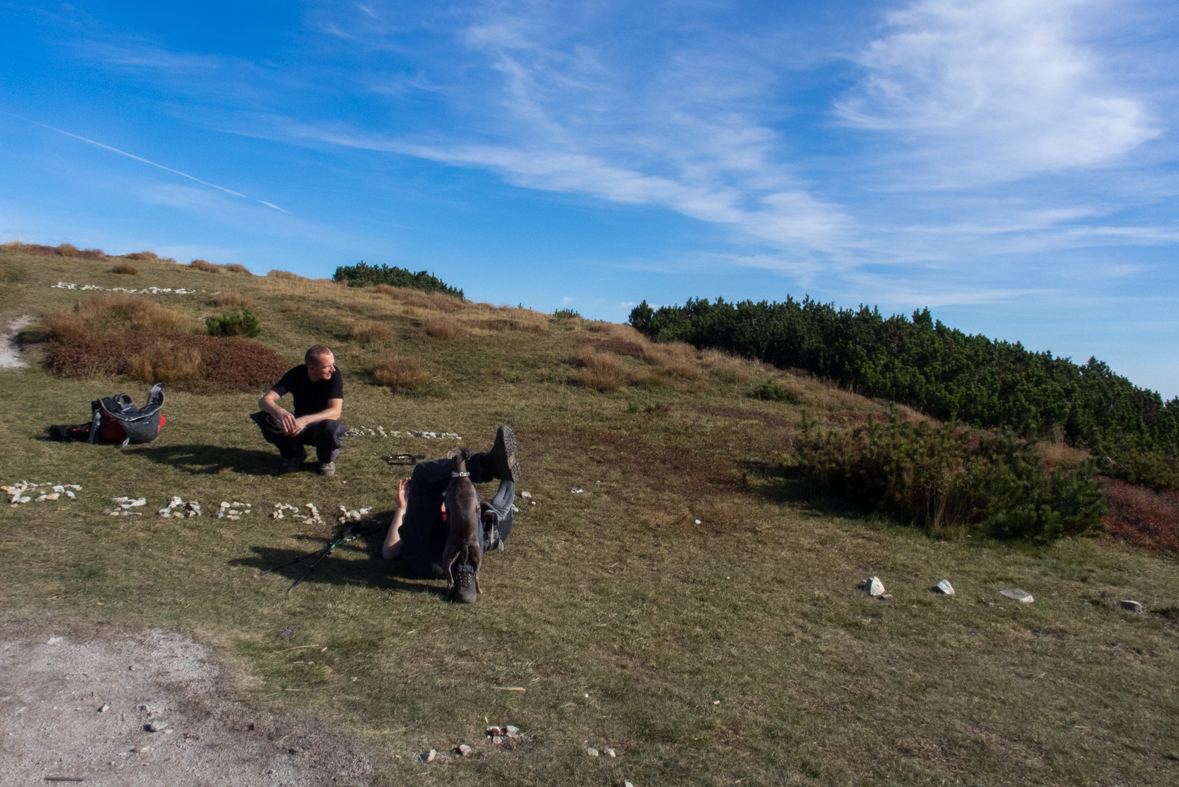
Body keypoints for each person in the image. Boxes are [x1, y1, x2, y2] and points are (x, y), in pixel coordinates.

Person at [383, 426, 519, 601]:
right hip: (432, 555)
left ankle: (488, 465)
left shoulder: (460, 497)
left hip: (430, 557)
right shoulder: (448, 501)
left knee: (458, 491)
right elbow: (389, 553)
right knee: (451, 487)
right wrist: (402, 508)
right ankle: (488, 465)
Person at [251, 345, 347, 476]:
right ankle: (294, 455)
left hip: (322, 428)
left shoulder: (334, 375)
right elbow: (264, 401)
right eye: (326, 366)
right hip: (297, 428)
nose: (332, 369)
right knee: (265, 417)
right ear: (312, 368)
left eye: (332, 364)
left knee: (331, 425)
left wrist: (305, 420)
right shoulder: (297, 373)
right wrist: (280, 411)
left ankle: (326, 459)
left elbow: (335, 411)